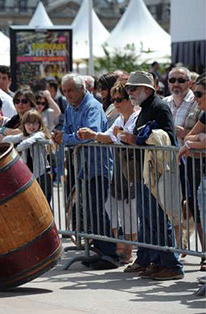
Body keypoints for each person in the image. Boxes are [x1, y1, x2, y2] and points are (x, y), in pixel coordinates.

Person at [118, 71, 184, 280]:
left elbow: (167, 140)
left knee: (158, 220)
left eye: (133, 88)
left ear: (147, 89)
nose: (130, 92)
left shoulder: (158, 107)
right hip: (147, 173)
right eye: (128, 88)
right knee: (147, 220)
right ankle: (155, 260)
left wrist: (135, 140)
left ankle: (171, 265)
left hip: (159, 173)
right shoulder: (145, 108)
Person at [52, 73, 119, 270]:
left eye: (71, 90)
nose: (67, 95)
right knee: (89, 211)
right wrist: (62, 136)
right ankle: (99, 250)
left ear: (83, 89)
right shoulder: (71, 108)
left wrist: (65, 138)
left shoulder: (92, 106)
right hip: (82, 167)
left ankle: (110, 254)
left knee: (97, 210)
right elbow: (69, 131)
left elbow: (89, 134)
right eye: (64, 91)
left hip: (98, 166)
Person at [78, 80, 139, 265]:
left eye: (119, 99)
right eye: (114, 100)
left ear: (130, 99)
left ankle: (131, 252)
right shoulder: (120, 119)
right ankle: (124, 250)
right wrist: (92, 135)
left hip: (135, 168)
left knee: (132, 210)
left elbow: (124, 138)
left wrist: (102, 136)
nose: (116, 103)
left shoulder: (137, 117)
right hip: (121, 168)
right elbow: (108, 136)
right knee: (118, 208)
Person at [177, 73, 206, 271]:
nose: (195, 98)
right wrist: (199, 140)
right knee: (201, 215)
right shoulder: (204, 114)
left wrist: (198, 141)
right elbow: (189, 137)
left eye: (199, 93)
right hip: (201, 173)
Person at [3, 109, 52, 202]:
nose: (31, 126)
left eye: (35, 123)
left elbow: (27, 143)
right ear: (24, 124)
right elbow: (7, 139)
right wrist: (2, 136)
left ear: (40, 124)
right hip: (30, 174)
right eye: (28, 123)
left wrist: (16, 149)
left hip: (42, 174)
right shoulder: (24, 135)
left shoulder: (40, 134)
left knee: (44, 202)